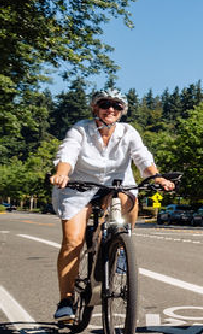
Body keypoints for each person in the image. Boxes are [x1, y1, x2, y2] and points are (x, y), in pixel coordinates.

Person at [49, 89, 175, 322]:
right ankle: (66, 301)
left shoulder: (128, 132)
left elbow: (143, 159)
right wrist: (61, 173)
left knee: (130, 195)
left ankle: (120, 243)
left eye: (116, 106)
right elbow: (68, 153)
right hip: (79, 187)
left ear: (121, 111)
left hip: (115, 186)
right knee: (73, 241)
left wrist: (157, 177)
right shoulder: (80, 129)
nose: (111, 109)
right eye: (105, 104)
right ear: (95, 108)